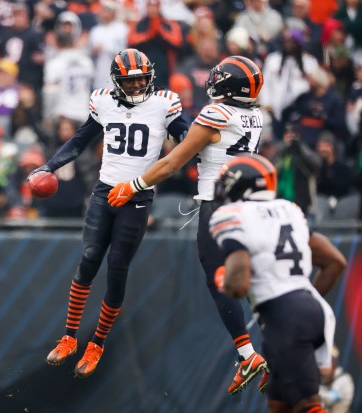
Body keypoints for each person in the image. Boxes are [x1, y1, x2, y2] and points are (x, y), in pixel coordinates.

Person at [108, 55, 269, 394]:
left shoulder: (216, 114)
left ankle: (247, 354)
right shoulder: (255, 115)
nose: (214, 79)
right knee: (247, 280)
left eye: (220, 76)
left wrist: (133, 185)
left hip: (219, 206)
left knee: (218, 280)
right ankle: (257, 350)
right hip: (250, 206)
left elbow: (172, 163)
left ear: (229, 84)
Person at [30, 48, 189, 378]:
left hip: (138, 195)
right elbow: (79, 140)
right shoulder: (103, 101)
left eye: (141, 81)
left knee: (117, 268)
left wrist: (197, 147)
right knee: (88, 259)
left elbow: (185, 137)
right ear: (116, 82)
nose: (136, 88)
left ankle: (97, 343)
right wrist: (49, 166)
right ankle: (69, 337)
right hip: (105, 191)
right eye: (129, 82)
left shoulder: (163, 103)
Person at [208, 154, 346, 413]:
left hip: (284, 316)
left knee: (308, 405)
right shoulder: (288, 210)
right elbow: (335, 261)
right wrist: (301, 301)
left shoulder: (232, 215)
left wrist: (223, 279)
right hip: (311, 309)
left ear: (243, 184)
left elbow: (237, 286)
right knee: (279, 404)